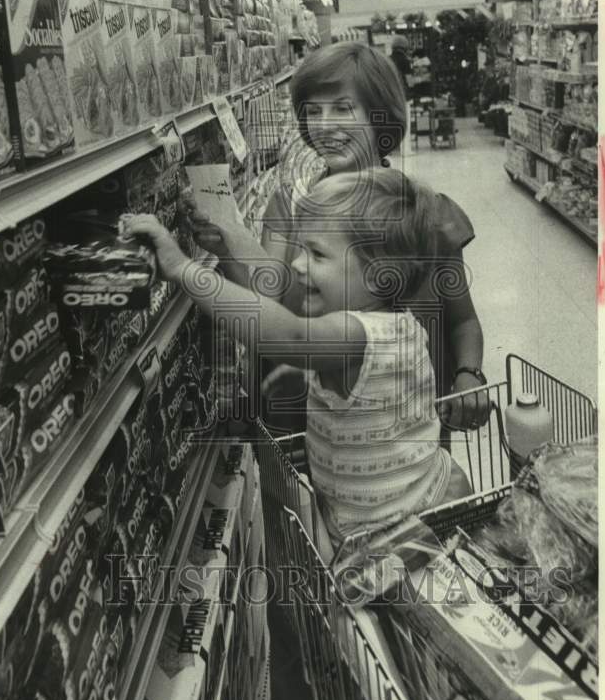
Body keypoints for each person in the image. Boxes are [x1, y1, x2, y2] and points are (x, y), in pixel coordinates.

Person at [124, 169, 473, 555]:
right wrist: (229, 247)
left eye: (318, 254)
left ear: (378, 278)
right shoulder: (396, 323)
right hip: (422, 490)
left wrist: (185, 270)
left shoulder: (357, 336)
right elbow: (281, 291)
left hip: (397, 538)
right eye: (302, 248)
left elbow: (286, 334)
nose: (300, 265)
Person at [186, 41, 489, 433]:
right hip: (309, 427)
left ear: (380, 116)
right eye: (313, 111)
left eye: (343, 109)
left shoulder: (426, 214)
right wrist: (225, 247)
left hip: (407, 438)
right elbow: (266, 299)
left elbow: (463, 321)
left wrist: (469, 374)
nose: (324, 126)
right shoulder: (288, 203)